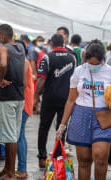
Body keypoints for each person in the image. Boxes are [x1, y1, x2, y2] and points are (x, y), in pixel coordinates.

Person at [56, 40, 111, 180]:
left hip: (104, 116)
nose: (93, 66)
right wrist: (62, 124)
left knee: (101, 157)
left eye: (96, 64)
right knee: (84, 160)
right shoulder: (79, 71)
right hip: (81, 115)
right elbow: (71, 99)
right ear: (86, 58)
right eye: (90, 63)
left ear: (102, 59)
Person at [35, 34, 76, 168]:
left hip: (49, 98)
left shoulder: (47, 57)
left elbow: (41, 79)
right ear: (63, 43)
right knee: (61, 127)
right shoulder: (72, 58)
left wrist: (36, 97)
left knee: (44, 127)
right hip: (66, 98)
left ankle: (42, 158)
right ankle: (58, 157)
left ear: (52, 43)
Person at [0, 24, 28, 180]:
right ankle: (7, 169)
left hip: (8, 97)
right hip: (19, 96)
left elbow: (3, 64)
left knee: (10, 136)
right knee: (13, 135)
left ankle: (10, 173)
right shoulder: (21, 48)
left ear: (2, 36)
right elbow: (24, 73)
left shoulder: (4, 48)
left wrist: (0, 79)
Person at [16, 57, 34, 179]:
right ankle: (21, 168)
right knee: (19, 134)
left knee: (20, 135)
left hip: (24, 103)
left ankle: (22, 169)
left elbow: (23, 83)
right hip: (24, 102)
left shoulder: (24, 62)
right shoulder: (23, 61)